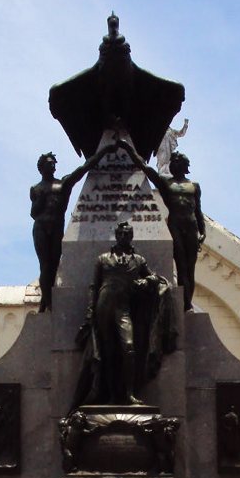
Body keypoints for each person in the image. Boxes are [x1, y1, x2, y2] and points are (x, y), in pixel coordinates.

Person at [73, 222, 174, 406]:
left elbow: (153, 277)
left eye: (127, 234)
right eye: (121, 234)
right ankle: (111, 396)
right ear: (116, 235)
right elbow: (94, 287)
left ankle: (129, 394)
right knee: (108, 352)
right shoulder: (103, 259)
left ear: (131, 237)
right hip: (103, 307)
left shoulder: (138, 260)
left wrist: (146, 281)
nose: (124, 237)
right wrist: (90, 312)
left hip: (123, 308)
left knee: (128, 347)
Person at [118, 139, 205, 311]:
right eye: (174, 162)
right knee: (181, 265)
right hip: (176, 224)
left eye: (179, 161)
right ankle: (186, 304)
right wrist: (129, 148)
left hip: (192, 225)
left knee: (190, 268)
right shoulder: (166, 183)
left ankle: (187, 301)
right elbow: (146, 168)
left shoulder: (194, 186)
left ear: (185, 166)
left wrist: (203, 232)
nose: (175, 164)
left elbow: (198, 211)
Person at [30, 146, 114, 311]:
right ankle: (47, 304)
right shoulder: (36, 188)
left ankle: (46, 300)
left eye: (54, 163)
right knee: (45, 265)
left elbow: (83, 169)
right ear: (41, 167)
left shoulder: (63, 184)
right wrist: (41, 199)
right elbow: (34, 213)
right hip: (41, 227)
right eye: (49, 163)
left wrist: (102, 152)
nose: (52, 166)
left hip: (56, 227)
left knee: (54, 264)